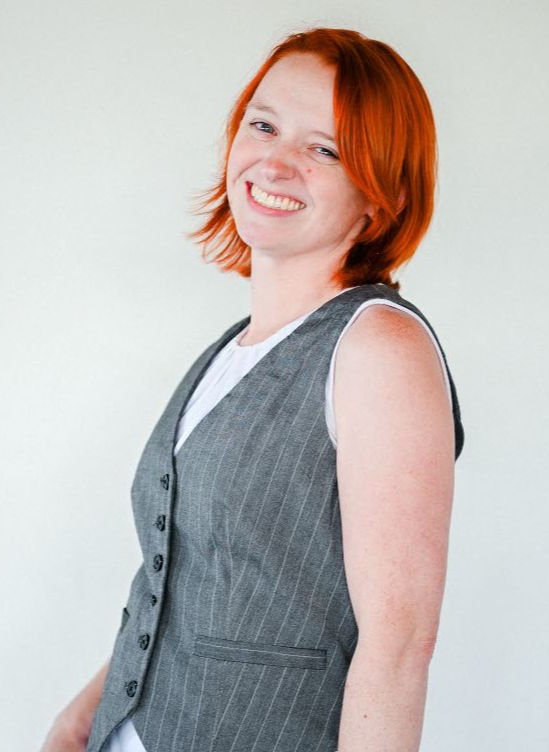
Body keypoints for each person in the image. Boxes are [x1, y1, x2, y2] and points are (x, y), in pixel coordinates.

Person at [40, 26, 464, 752]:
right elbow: (183, 584)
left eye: (325, 149)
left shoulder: (378, 349)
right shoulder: (229, 351)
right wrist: (81, 717)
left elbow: (398, 647)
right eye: (263, 126)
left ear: (383, 194)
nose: (275, 161)